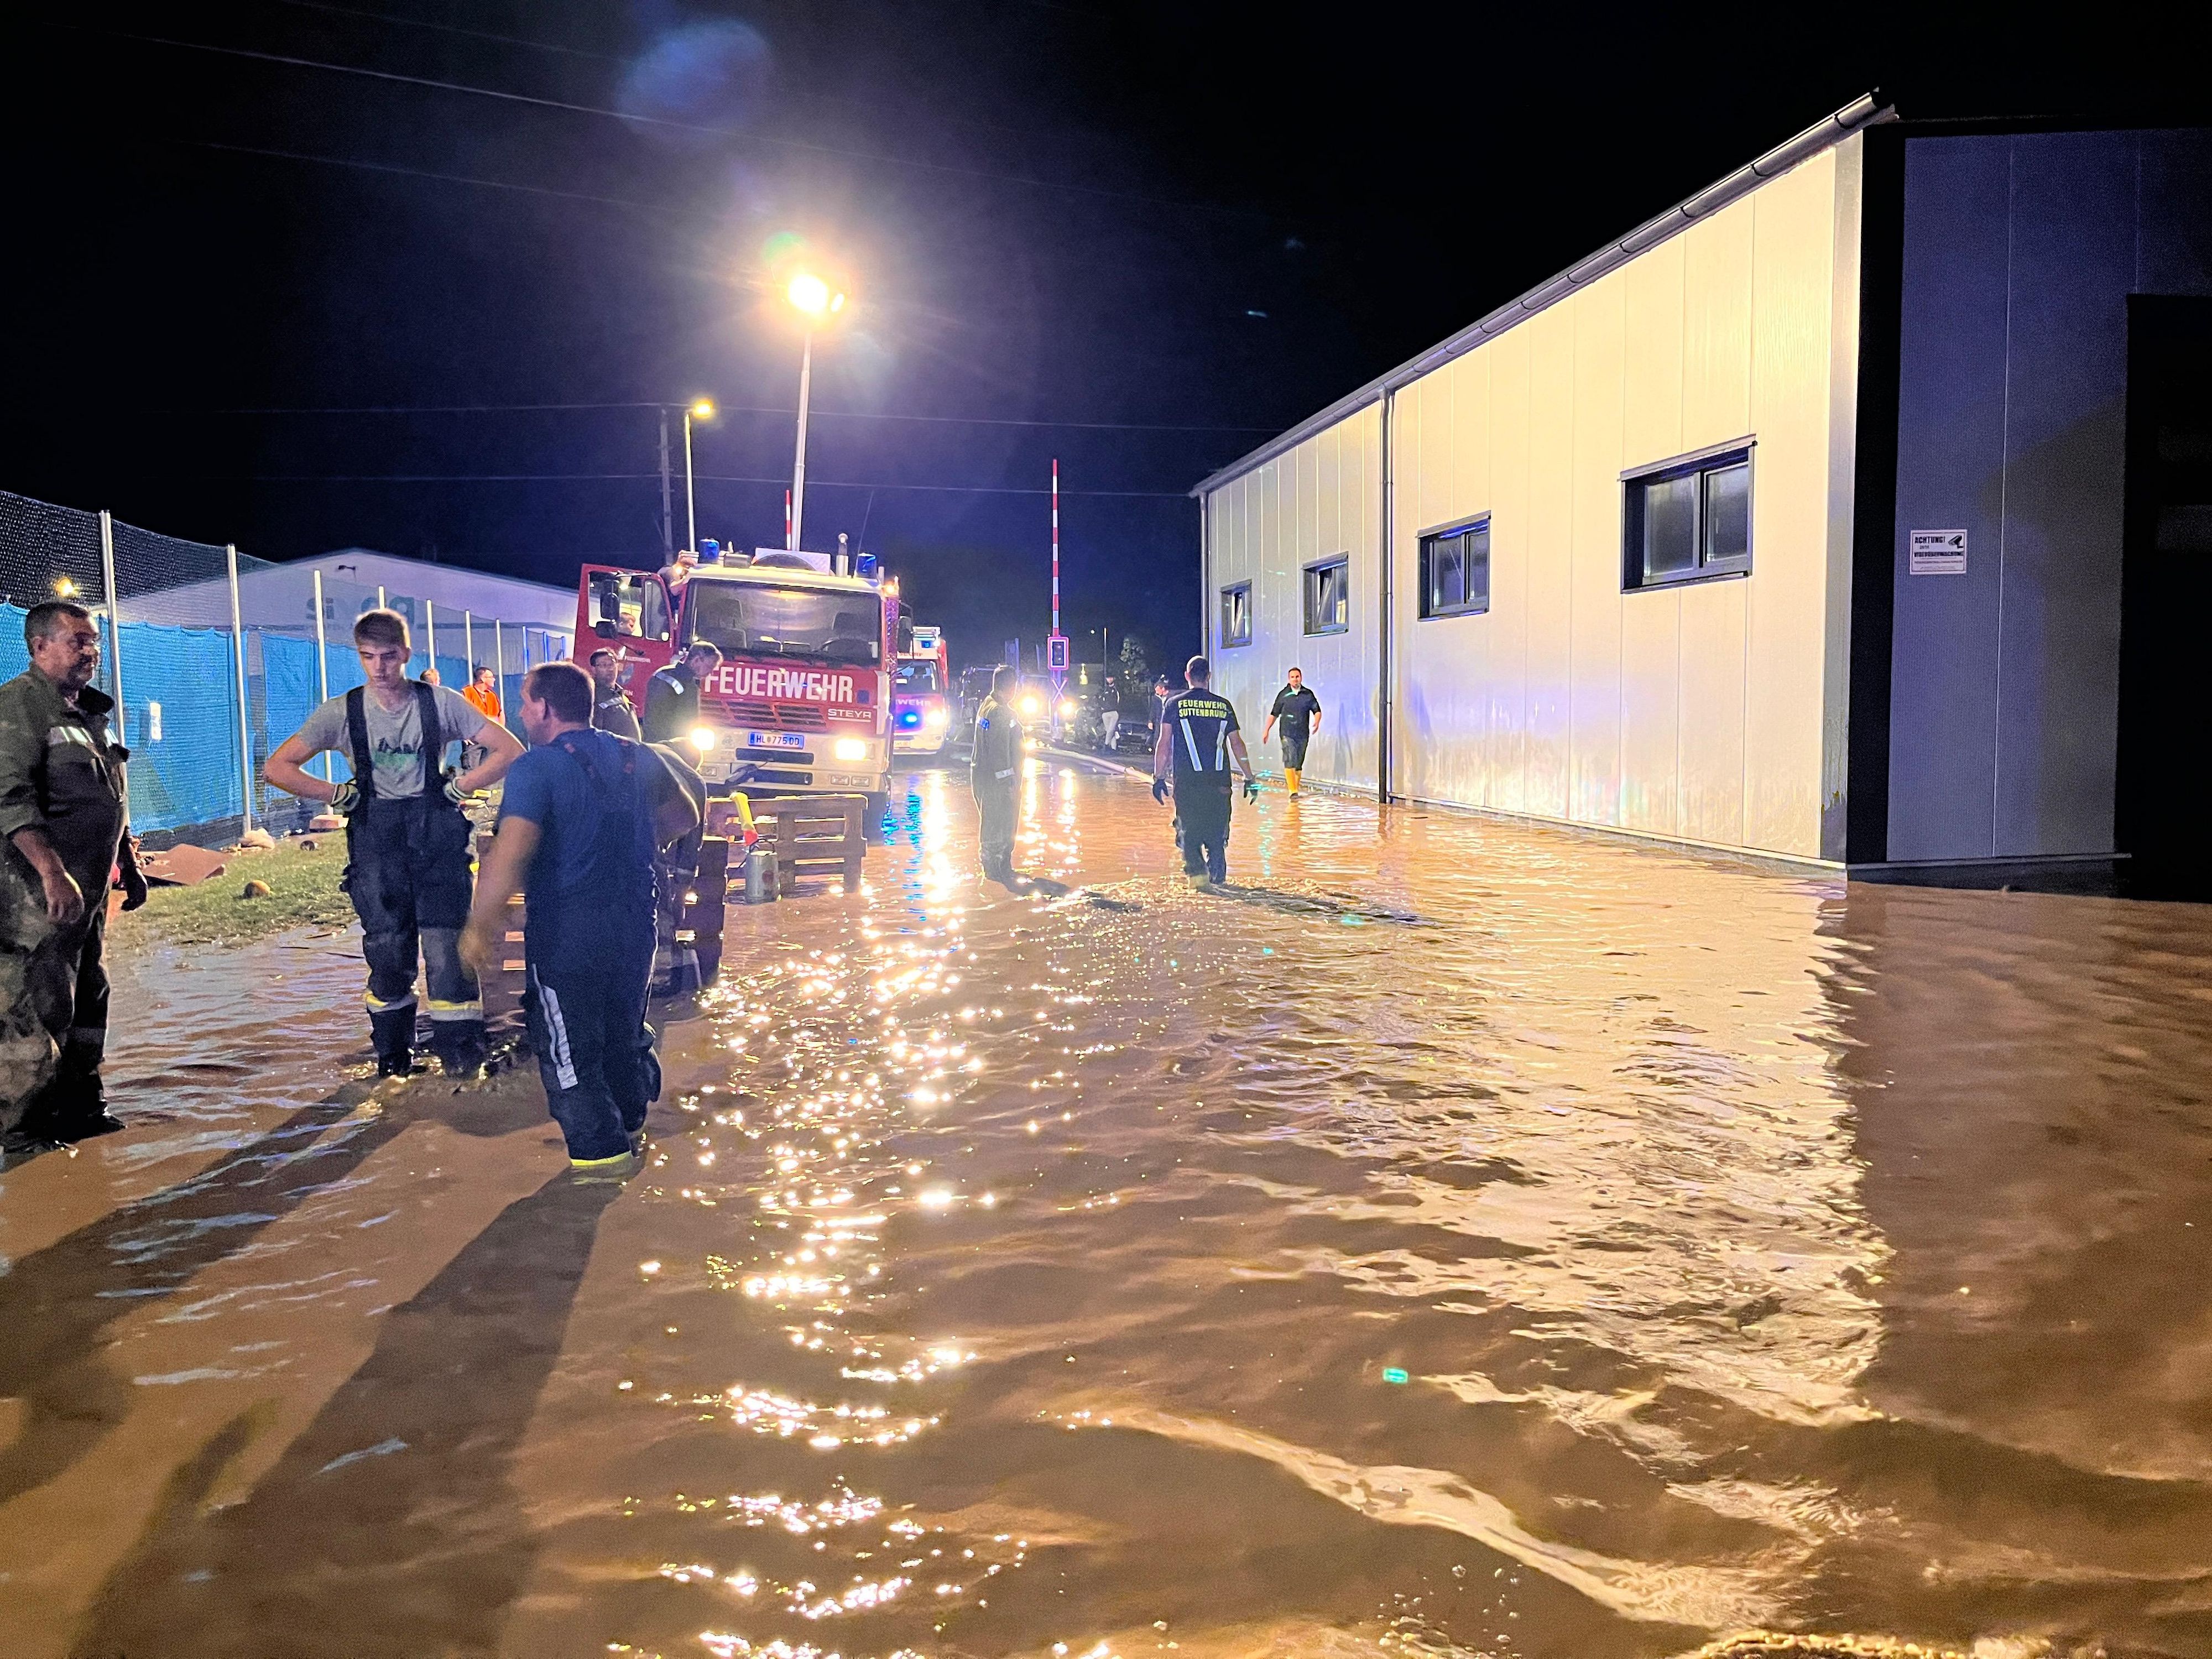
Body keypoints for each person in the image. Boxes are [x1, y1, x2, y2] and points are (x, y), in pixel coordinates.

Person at [460, 662, 701, 1176]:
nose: (523, 713)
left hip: (569, 933)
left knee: (569, 1053)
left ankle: (597, 1176)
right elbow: (686, 815)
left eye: (525, 703)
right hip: (637, 927)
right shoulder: (639, 755)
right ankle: (633, 1134)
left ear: (545, 707)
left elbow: (511, 851)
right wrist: (628, 845)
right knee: (622, 1033)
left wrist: (479, 927)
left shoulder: (535, 767)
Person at [265, 608, 523, 1076]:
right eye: (369, 657)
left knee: (449, 953)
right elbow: (278, 767)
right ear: (360, 657)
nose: (380, 668)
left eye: (389, 657)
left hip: (438, 845)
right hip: (377, 847)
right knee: (387, 951)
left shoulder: (441, 703)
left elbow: (510, 750)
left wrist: (463, 785)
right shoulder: (341, 712)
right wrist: (335, 794)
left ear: (406, 654)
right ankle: (394, 1062)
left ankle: (462, 1063)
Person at [0, 602, 149, 1151]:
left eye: (93, 641)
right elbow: (9, 800)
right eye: (76, 641)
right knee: (38, 1006)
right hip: (36, 899)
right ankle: (26, 1134)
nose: (89, 651)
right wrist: (50, 870)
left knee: (90, 994)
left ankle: (82, 1108)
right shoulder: (19, 707)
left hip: (86, 897)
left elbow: (109, 799)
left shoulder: (88, 714)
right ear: (39, 648)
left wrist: (128, 865)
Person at [1151, 655, 1259, 890]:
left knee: (1189, 833)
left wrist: (1158, 777)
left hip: (1188, 783)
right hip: (1219, 783)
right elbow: (1237, 744)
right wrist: (1250, 778)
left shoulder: (1173, 704)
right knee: (1217, 837)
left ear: (1187, 676)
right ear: (1209, 677)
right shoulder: (1224, 706)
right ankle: (1219, 883)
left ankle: (1201, 892)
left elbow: (1164, 743)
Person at [969, 665, 1023, 883]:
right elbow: (1001, 752)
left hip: (982, 777)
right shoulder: (1001, 712)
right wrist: (1009, 784)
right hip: (998, 783)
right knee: (1003, 826)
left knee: (990, 823)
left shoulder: (987, 705)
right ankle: (1001, 873)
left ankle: (991, 875)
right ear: (1012, 687)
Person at [640, 639, 724, 745]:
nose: (710, 673)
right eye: (709, 667)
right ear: (697, 660)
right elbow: (656, 720)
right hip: (663, 746)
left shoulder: (689, 683)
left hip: (678, 746)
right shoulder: (666, 678)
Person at [1261, 667, 1323, 800]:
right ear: (1289, 680)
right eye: (1293, 677)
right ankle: (1293, 791)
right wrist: (1266, 730)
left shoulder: (1308, 694)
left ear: (1301, 678)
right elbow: (1274, 714)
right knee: (1290, 758)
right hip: (1287, 733)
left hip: (1303, 734)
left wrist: (1317, 722)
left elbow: (1317, 710)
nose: (1295, 679)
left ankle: (1295, 788)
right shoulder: (1283, 695)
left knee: (1299, 762)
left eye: (1297, 677)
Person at [588, 648, 642, 740]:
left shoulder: (620, 694)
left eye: (612, 664)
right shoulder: (593, 695)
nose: (610, 669)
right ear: (594, 669)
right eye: (604, 665)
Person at [460, 664, 503, 771]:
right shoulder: (467, 692)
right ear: (483, 679)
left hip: (490, 738)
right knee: (471, 768)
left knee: (487, 769)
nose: (494, 679)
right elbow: (459, 714)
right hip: (474, 737)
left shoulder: (492, 695)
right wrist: (464, 734)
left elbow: (500, 713)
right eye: (491, 677)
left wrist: (502, 732)